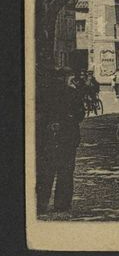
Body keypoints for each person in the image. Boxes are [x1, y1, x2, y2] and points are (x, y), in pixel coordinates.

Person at [36, 66, 86, 214]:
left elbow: (38, 114)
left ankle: (41, 204)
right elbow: (80, 114)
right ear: (66, 78)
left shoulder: (44, 93)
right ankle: (61, 205)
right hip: (67, 137)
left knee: (46, 171)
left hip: (47, 137)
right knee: (65, 171)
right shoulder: (73, 93)